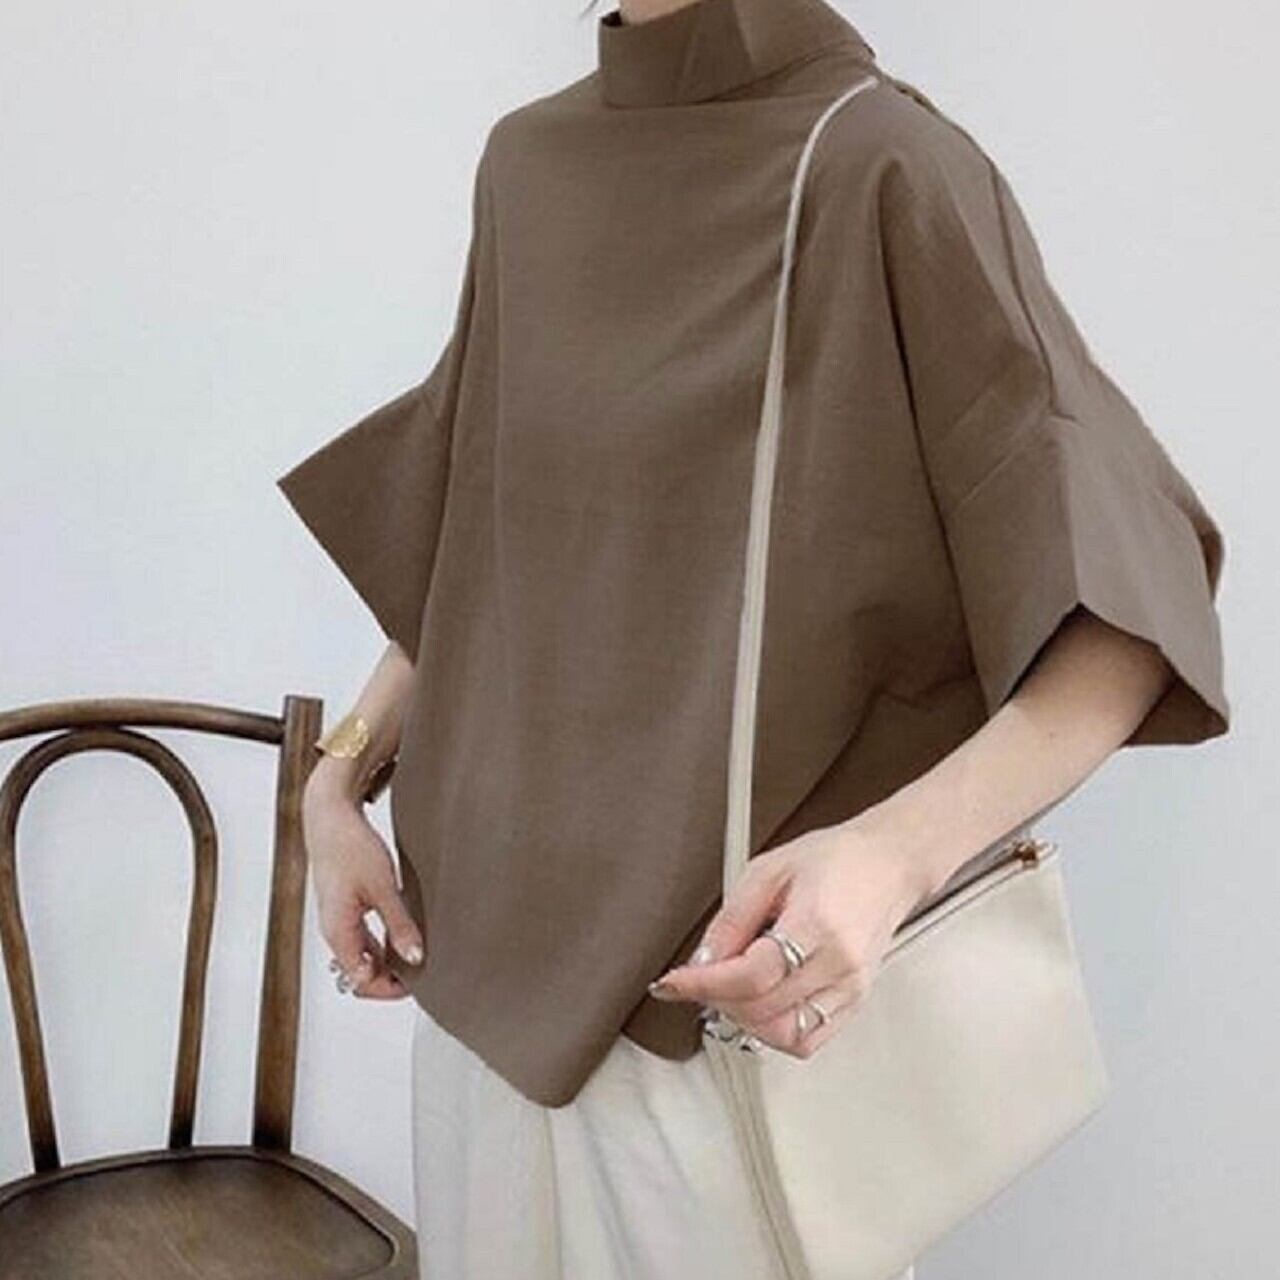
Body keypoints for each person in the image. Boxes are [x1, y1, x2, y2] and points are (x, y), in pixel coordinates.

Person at [276, 0, 1231, 1275]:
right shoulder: (527, 165)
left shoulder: (880, 165)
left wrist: (886, 861)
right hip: (467, 992)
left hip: (707, 1044)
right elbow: (488, 547)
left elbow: (1128, 613)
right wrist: (338, 775)